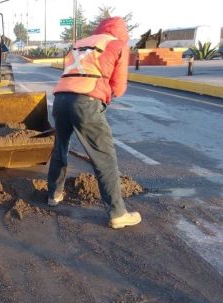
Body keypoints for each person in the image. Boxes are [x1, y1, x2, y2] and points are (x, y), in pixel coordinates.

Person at [46, 17, 142, 229]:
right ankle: (117, 213)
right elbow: (119, 86)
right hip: (86, 99)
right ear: (121, 32)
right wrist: (105, 95)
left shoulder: (80, 43)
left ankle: (54, 194)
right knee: (104, 157)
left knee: (60, 147)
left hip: (60, 98)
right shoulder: (117, 44)